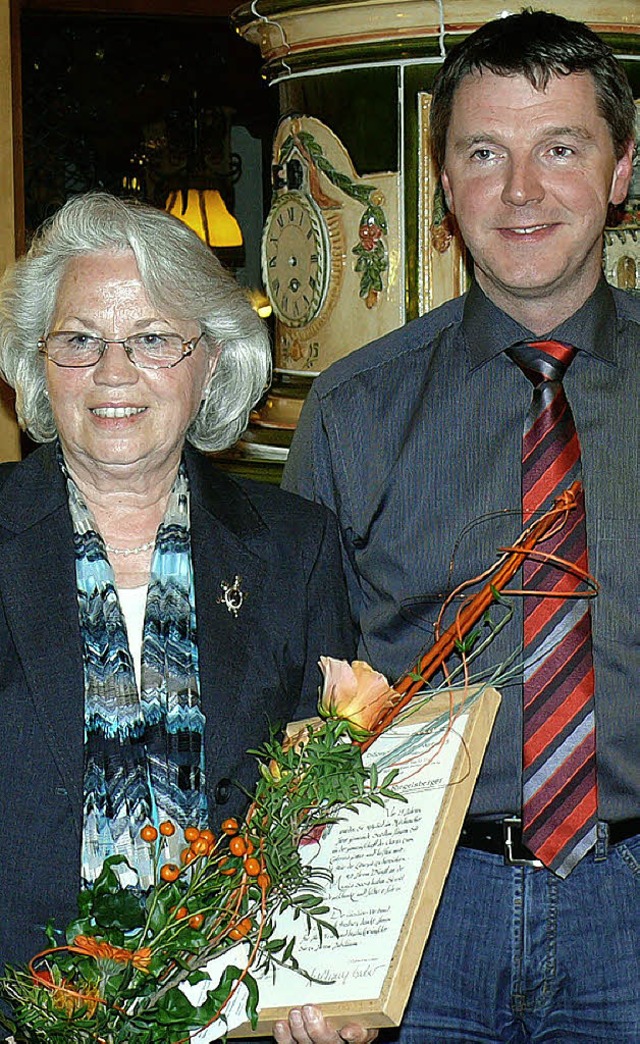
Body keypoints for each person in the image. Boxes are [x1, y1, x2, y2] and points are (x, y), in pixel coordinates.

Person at [280, 10, 639, 1043]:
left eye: (559, 149)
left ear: (620, 170)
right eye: (485, 153)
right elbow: (299, 694)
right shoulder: (354, 411)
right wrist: (310, 939)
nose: (521, 192)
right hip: (423, 911)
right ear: (443, 185)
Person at [0, 191, 362, 994]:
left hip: (230, 1001)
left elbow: (333, 815)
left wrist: (329, 984)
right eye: (79, 341)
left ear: (213, 362)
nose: (112, 372)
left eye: (155, 339)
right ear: (38, 364)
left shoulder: (295, 547)